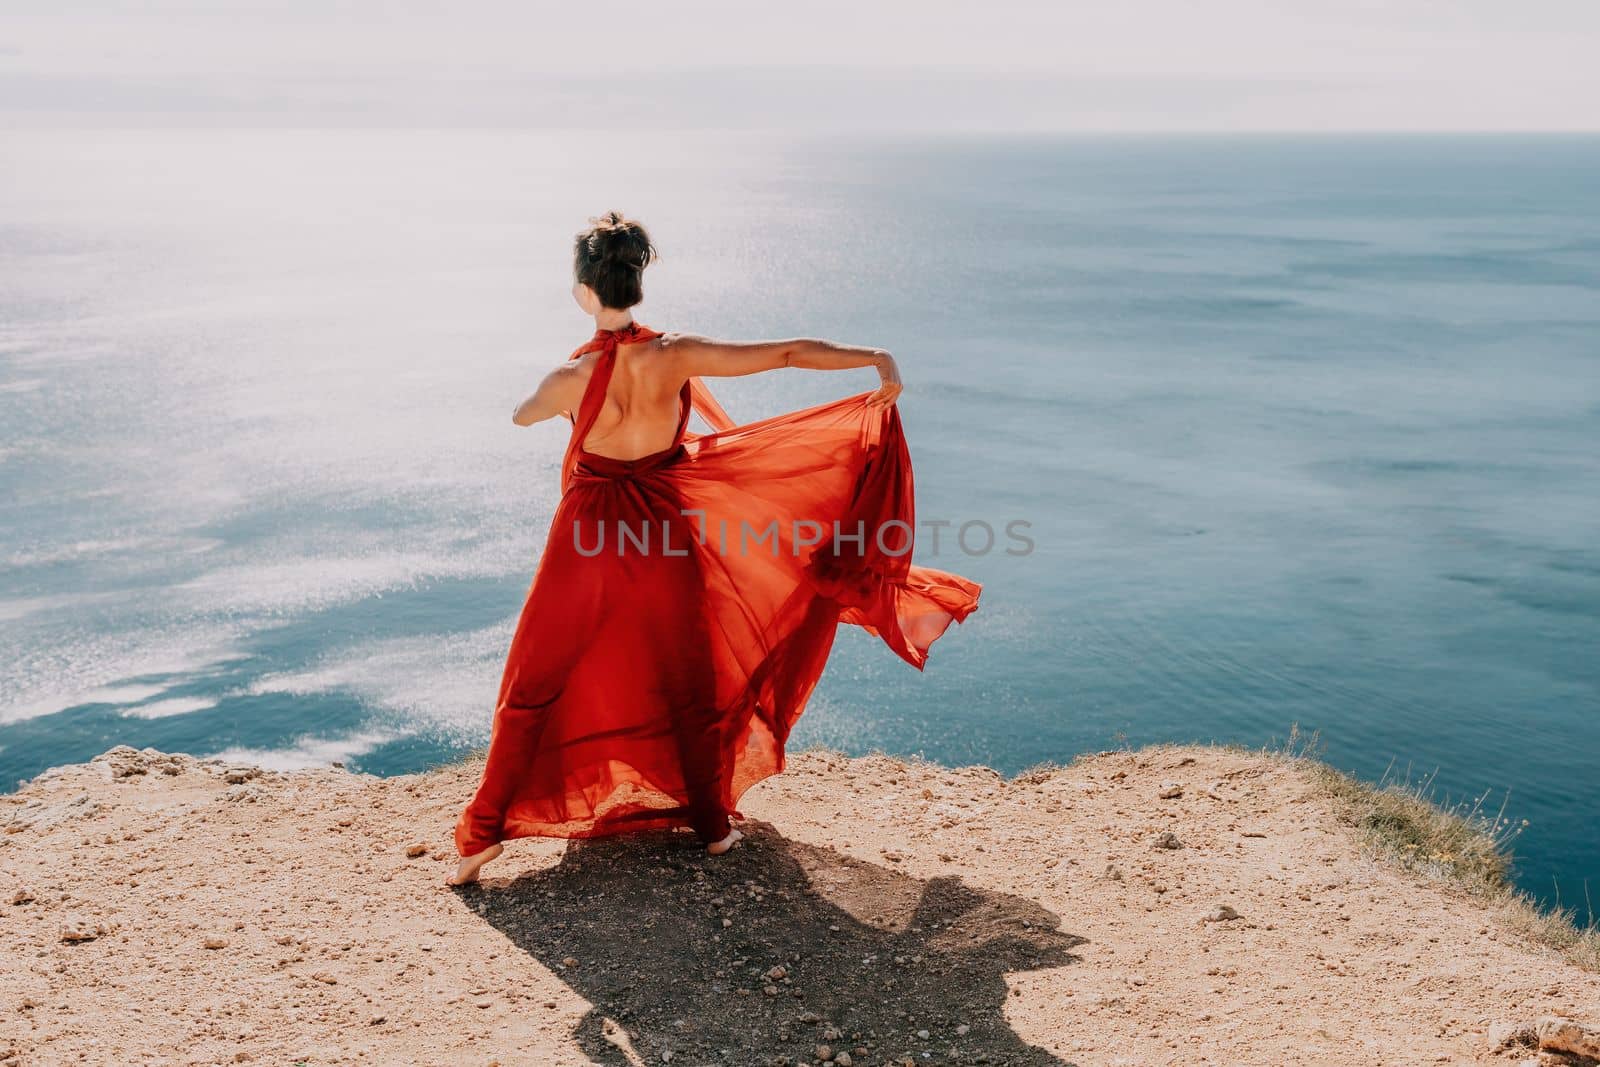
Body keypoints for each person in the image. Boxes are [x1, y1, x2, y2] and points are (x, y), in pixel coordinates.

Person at [449, 211, 980, 885]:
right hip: (660, 533)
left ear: (584, 290)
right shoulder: (677, 355)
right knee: (688, 676)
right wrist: (873, 358)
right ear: (638, 281)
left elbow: (521, 414)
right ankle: (712, 824)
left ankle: (482, 837)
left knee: (535, 681)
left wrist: (572, 399)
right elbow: (786, 353)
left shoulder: (568, 378)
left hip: (587, 537)